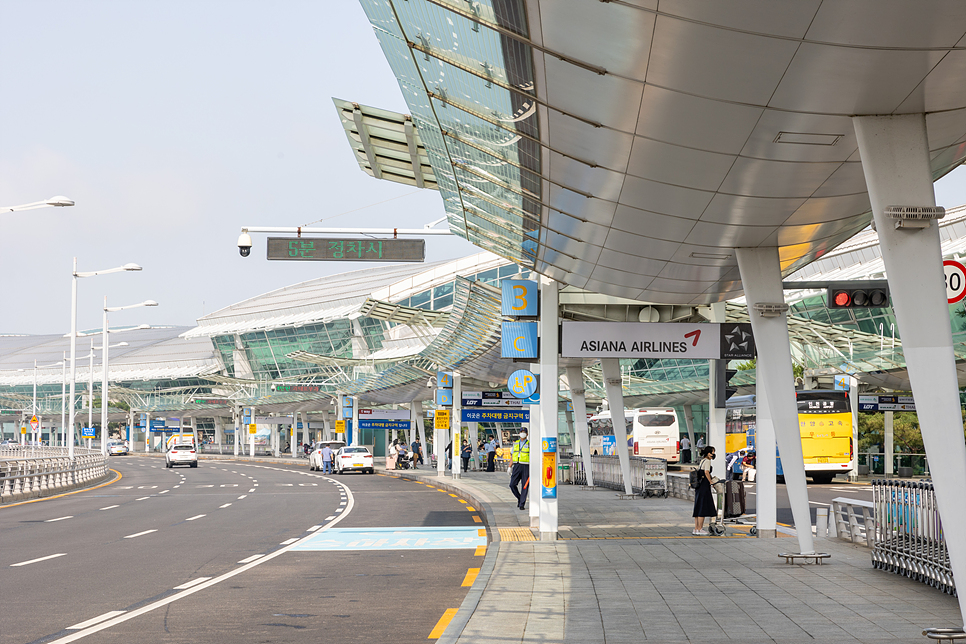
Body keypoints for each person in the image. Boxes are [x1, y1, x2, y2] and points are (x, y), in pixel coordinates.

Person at [692, 445, 718, 535]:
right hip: (704, 486)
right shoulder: (707, 461)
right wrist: (711, 482)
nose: (713, 455)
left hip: (699, 487)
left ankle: (696, 529)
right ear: (708, 453)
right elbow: (706, 472)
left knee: (698, 506)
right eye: (712, 453)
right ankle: (700, 529)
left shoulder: (702, 460)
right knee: (702, 507)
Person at [508, 429, 530, 510]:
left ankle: (522, 504)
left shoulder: (530, 444)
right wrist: (510, 467)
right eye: (521, 432)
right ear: (519, 433)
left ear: (527, 434)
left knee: (525, 485)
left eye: (524, 432)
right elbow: (512, 455)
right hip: (517, 465)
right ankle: (520, 498)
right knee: (512, 484)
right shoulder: (516, 443)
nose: (522, 434)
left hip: (526, 466)